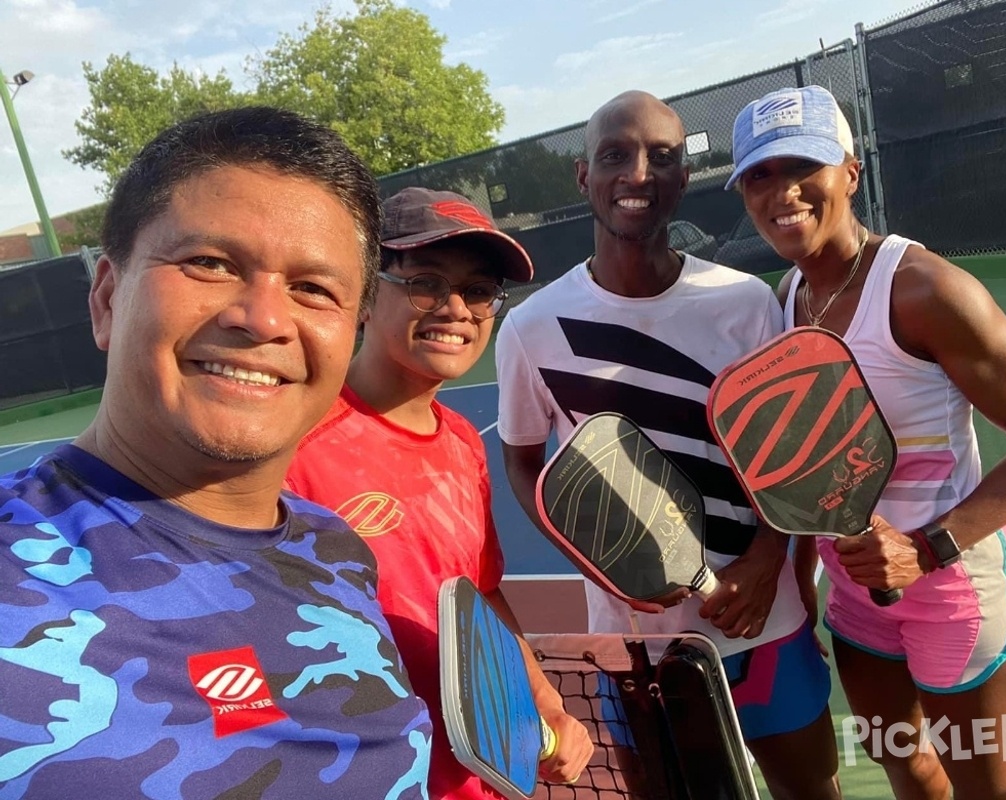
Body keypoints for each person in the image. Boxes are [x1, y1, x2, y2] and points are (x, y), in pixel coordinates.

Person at [0, 108, 433, 798]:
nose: (262, 318)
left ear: (350, 332)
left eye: (313, 289)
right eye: (209, 263)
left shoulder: (337, 549)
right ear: (107, 299)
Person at [727, 85, 1006, 800]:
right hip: (857, 602)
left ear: (850, 172)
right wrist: (797, 583)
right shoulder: (784, 299)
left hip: (959, 591)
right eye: (759, 175)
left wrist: (926, 550)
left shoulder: (924, 290)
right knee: (906, 767)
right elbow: (803, 461)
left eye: (804, 166)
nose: (782, 192)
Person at [496, 90, 842, 800]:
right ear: (582, 176)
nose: (638, 174)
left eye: (662, 158)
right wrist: (603, 556)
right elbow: (525, 459)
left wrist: (767, 559)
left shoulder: (747, 303)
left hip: (761, 621)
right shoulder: (532, 328)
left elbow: (792, 459)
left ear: (685, 178)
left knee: (812, 789)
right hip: (636, 647)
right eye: (615, 155)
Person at [285, 187, 593, 798]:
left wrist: (545, 702)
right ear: (366, 294)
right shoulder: (290, 441)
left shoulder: (463, 444)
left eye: (478, 291)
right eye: (425, 281)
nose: (455, 308)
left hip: (473, 775)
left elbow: (482, 598)